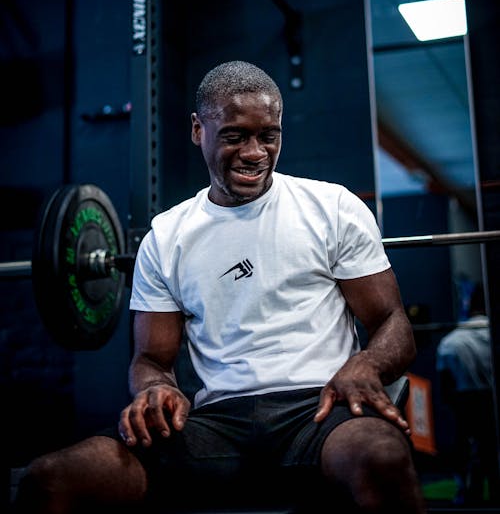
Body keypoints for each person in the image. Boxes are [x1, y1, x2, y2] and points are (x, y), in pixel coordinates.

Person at [15, 60, 426, 513]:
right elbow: (151, 359)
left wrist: (366, 364)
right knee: (50, 480)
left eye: (269, 135)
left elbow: (393, 322)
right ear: (198, 130)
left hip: (322, 412)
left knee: (382, 457)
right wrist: (155, 389)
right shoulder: (167, 236)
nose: (255, 152)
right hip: (218, 425)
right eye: (234, 136)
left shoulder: (331, 207)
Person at [436, 283, 498, 505]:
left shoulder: (451, 341)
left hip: (467, 402)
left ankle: (468, 494)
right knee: (487, 451)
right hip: (483, 401)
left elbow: (445, 387)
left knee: (470, 452)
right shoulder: (454, 340)